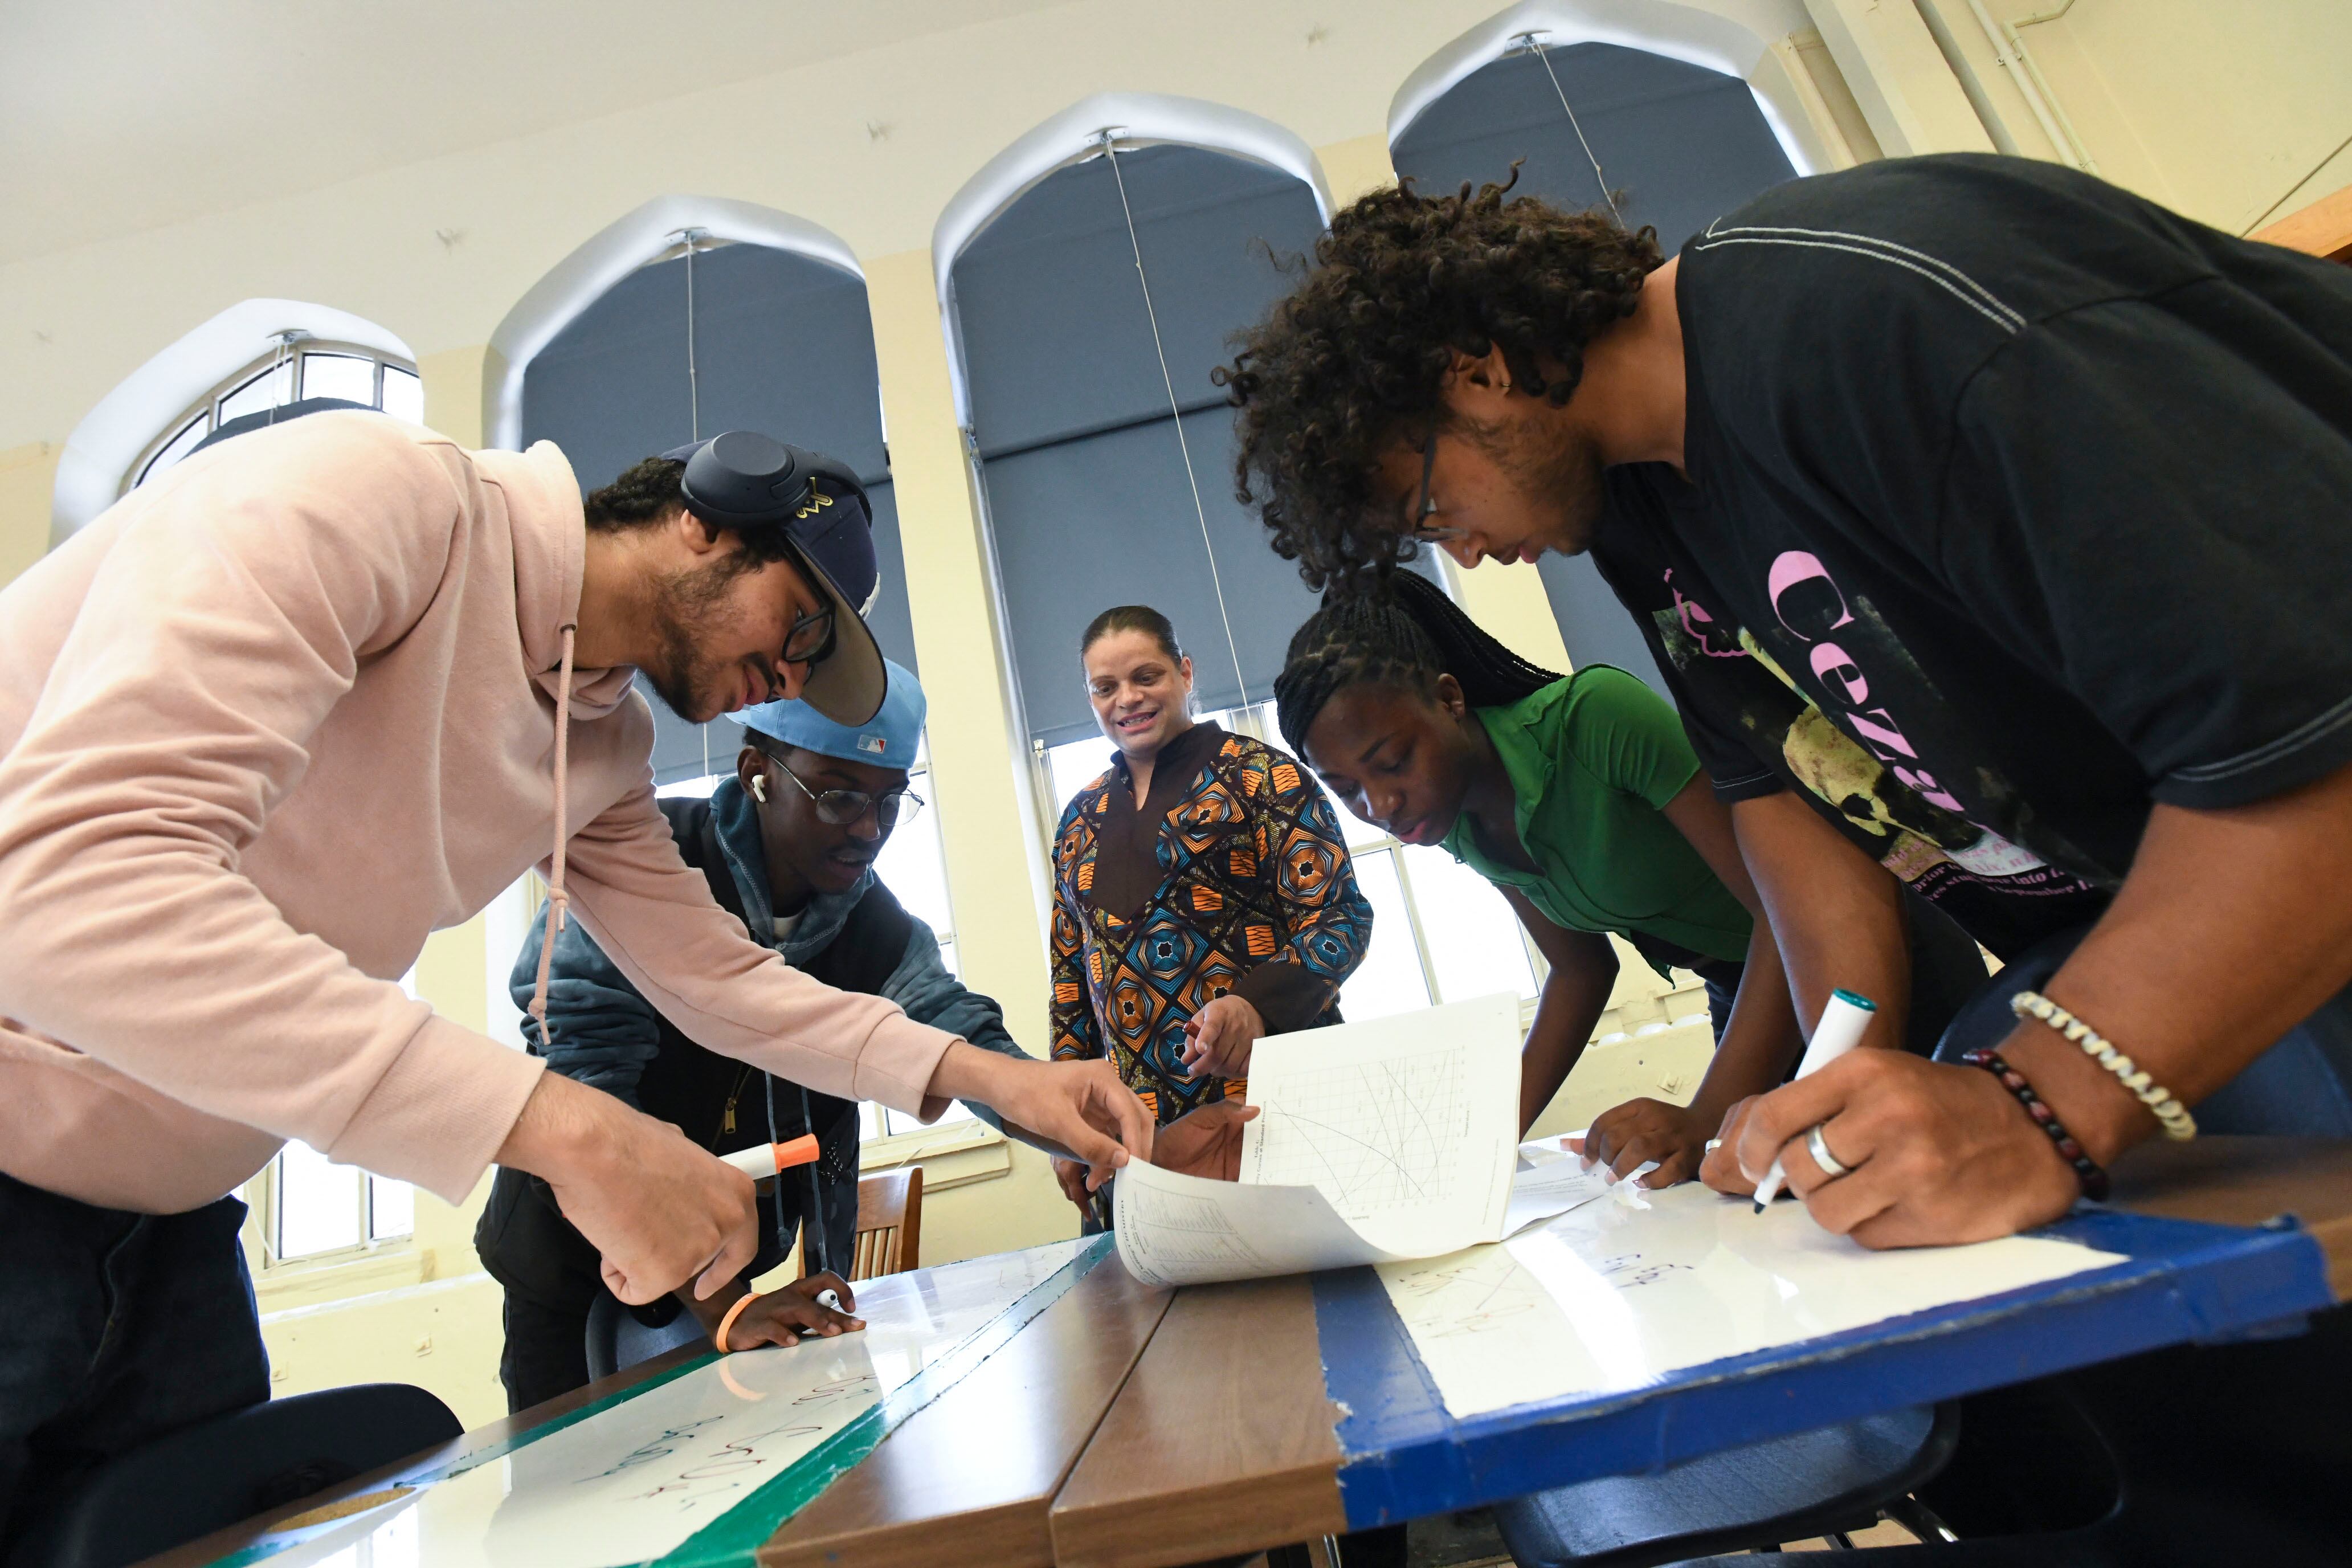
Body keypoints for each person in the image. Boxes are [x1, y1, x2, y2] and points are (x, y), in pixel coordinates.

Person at [0, 414, 1149, 1540]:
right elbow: (60, 886)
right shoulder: (370, 499)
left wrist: (990, 1077)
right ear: (707, 519)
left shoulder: (595, 742)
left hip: (175, 1220)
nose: (788, 672)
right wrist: (568, 1127)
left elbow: (720, 981)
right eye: (800, 624)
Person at [1216, 154, 2352, 1248]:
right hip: (2123, 926)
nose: (1463, 550)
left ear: (1475, 367)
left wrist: (2036, 1104)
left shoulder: (1871, 314)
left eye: (1431, 510)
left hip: (2278, 872)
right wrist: (1812, 1100)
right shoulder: (1634, 507)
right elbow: (1780, 798)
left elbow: (2310, 744)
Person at [1275, 569, 1984, 1182]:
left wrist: (1703, 1113)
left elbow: (1784, 905)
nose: (1381, 805)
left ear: (1450, 699)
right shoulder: (1454, 819)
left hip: (1860, 955)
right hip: (1745, 987)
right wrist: (1480, 1146)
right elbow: (1580, 969)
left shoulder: (1595, 720)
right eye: (1346, 789)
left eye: (1393, 760)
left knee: (1922, 1180)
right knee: (1751, 1203)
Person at [478, 660, 1032, 1410]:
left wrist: (1086, 1126)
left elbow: (957, 1034)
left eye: (890, 799)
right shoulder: (646, 861)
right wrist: (726, 1303)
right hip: (575, 1265)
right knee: (573, 1503)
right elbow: (586, 1084)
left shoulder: (872, 925)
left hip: (737, 1267)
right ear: (757, 771)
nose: (869, 829)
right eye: (838, 796)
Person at [1047, 606, 1374, 1219]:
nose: (1128, 699)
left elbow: (1341, 917)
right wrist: (1065, 1114)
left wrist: (1255, 1005)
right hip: (1141, 1147)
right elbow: (1070, 984)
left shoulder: (1263, 776)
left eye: (1147, 676)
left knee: (1316, 1303)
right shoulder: (1076, 821)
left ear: (1186, 671)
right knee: (1151, 1315)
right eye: (1105, 687)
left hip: (1273, 1110)